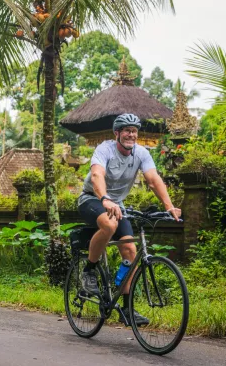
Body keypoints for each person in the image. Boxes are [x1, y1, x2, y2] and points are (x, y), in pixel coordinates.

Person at [77, 113, 182, 326]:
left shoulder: (141, 154)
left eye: (134, 131)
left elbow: (153, 180)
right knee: (109, 223)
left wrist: (169, 207)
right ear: (117, 133)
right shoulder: (104, 149)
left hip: (118, 204)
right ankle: (88, 271)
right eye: (126, 130)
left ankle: (126, 309)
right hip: (92, 198)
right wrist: (105, 199)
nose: (131, 135)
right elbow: (97, 175)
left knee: (131, 252)